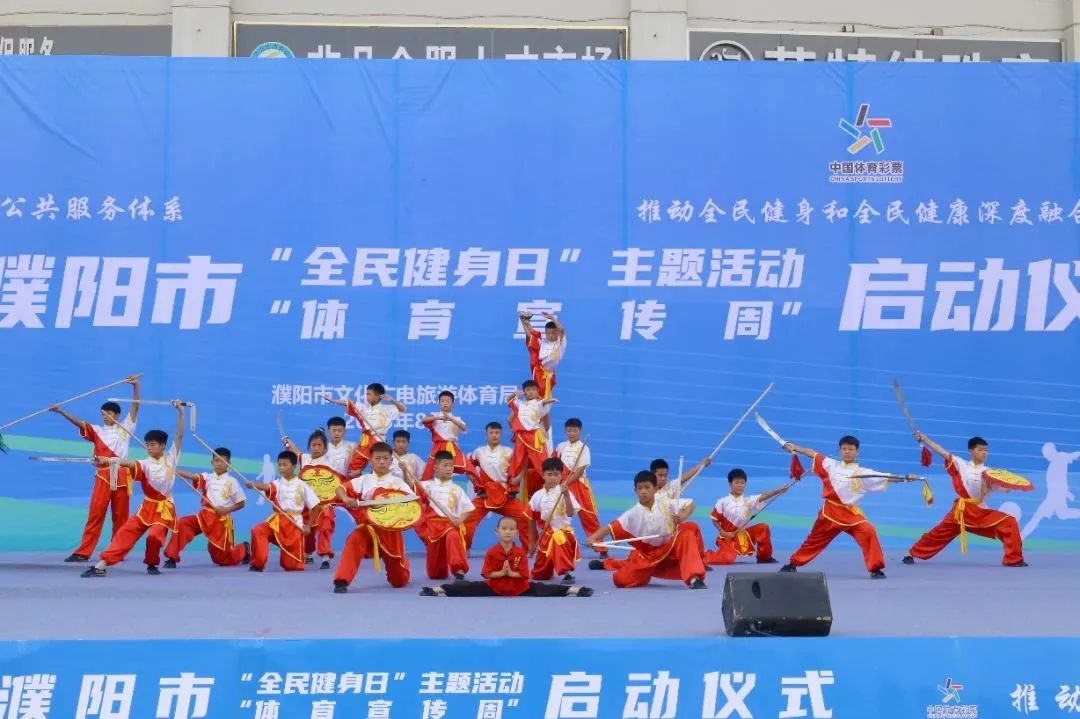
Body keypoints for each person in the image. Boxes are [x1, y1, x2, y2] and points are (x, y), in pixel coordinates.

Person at [780, 436, 918, 579]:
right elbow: (812, 453)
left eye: (851, 449)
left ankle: (875, 569)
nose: (847, 452)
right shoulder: (830, 464)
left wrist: (906, 478)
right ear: (840, 450)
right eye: (844, 449)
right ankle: (793, 564)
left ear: (857, 452)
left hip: (851, 515)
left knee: (868, 531)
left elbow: (885, 477)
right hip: (829, 513)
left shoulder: (862, 473)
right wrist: (794, 447)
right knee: (814, 541)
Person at [80, 401, 183, 577]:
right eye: (147, 444)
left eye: (153, 444)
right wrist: (108, 460)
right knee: (125, 533)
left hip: (164, 510)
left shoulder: (172, 458)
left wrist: (181, 412)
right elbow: (127, 463)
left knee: (154, 537)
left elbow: (179, 435)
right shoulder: (144, 463)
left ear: (162, 446)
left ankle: (152, 564)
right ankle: (101, 565)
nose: (149, 447)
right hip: (147, 508)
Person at [49, 375, 141, 562]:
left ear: (117, 415)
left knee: (120, 517)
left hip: (122, 476)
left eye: (108, 413)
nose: (105, 416)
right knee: (96, 514)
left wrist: (135, 386)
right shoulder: (98, 430)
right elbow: (80, 423)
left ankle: (117, 551)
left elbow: (135, 407)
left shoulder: (126, 428)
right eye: (103, 414)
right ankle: (83, 552)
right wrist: (62, 412)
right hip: (104, 476)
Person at [904, 433, 1026, 567]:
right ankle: (911, 553)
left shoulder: (990, 473)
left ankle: (1014, 559)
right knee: (938, 534)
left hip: (979, 513)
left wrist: (1009, 481)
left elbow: (1005, 489)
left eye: (986, 450)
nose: (984, 453)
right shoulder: (961, 465)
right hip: (960, 512)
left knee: (1009, 523)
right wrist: (924, 439)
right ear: (971, 451)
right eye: (980, 449)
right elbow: (940, 451)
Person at [586, 470, 707, 589]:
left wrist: (682, 516)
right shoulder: (631, 514)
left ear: (655, 488)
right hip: (648, 556)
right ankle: (608, 563)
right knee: (620, 580)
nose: (643, 491)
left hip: (671, 545)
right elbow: (609, 527)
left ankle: (694, 578)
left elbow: (690, 504)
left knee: (690, 528)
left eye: (647, 487)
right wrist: (593, 538)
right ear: (635, 491)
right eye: (639, 488)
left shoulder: (666, 503)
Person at [420, 516, 593, 597]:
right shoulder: (491, 552)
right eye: (504, 529)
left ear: (517, 533)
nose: (508, 532)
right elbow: (487, 574)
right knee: (467, 587)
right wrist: (501, 574)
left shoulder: (520, 553)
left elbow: (524, 575)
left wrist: (511, 574)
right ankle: (436, 590)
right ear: (497, 532)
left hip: (520, 589)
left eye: (511, 529)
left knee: (544, 589)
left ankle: (577, 591)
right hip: (494, 587)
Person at [332, 442, 416, 593]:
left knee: (399, 581)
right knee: (354, 539)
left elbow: (411, 503)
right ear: (371, 460)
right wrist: (345, 497)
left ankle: (403, 566)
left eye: (385, 458)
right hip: (368, 528)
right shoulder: (364, 480)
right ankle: (341, 580)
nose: (382, 461)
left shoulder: (398, 483)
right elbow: (340, 488)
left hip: (390, 530)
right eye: (377, 458)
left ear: (391, 460)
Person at [164, 447, 249, 568]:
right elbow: (192, 476)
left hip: (220, 521)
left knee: (223, 560)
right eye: (217, 461)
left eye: (223, 461)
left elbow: (241, 503)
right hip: (204, 516)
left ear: (229, 464)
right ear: (212, 462)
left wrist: (226, 510)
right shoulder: (208, 477)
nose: (220, 464)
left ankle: (244, 549)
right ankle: (172, 557)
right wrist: (173, 469)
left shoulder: (232, 481)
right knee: (182, 523)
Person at [245, 451, 321, 572]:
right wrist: (254, 484)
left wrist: (309, 526)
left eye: (285, 465)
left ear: (294, 466)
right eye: (279, 465)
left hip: (294, 525)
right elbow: (266, 486)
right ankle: (257, 564)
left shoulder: (303, 485)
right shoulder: (278, 483)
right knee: (258, 531)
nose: (281, 468)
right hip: (277, 522)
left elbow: (316, 506)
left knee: (292, 567)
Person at [283, 429, 347, 569]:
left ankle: (325, 557)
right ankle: (308, 553)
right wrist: (287, 439)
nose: (316, 448)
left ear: (324, 448)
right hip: (308, 504)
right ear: (309, 446)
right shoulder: (305, 459)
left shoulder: (330, 464)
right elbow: (295, 450)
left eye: (319, 445)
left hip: (325, 504)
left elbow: (339, 482)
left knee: (326, 527)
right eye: (313, 445)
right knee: (308, 529)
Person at [463, 422, 533, 548]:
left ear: (501, 434)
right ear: (486, 434)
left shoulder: (509, 451)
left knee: (525, 517)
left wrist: (518, 478)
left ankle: (528, 549)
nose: (494, 435)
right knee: (467, 519)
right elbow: (468, 468)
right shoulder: (479, 452)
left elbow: (523, 464)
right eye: (491, 433)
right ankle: (464, 549)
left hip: (505, 495)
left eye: (497, 433)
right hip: (485, 495)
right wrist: (475, 482)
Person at [704, 468, 788, 565]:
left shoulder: (748, 500)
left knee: (763, 528)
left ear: (745, 485)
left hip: (742, 535)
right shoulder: (722, 501)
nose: (740, 485)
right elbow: (714, 519)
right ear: (730, 484)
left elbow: (763, 496)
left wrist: (778, 491)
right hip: (727, 537)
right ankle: (705, 556)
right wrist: (723, 532)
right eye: (737, 482)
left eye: (742, 483)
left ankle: (764, 557)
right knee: (727, 559)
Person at [417, 450, 474, 580]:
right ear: (435, 467)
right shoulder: (425, 486)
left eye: (451, 465)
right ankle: (439, 570)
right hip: (432, 528)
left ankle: (459, 570)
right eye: (445, 465)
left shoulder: (457, 489)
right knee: (436, 575)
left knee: (453, 535)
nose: (449, 468)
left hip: (449, 525)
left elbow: (468, 509)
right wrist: (405, 470)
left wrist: (460, 520)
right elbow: (411, 495)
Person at [323, 386, 405, 475]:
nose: (367, 397)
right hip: (365, 440)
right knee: (355, 465)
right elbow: (347, 403)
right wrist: (333, 400)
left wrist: (392, 400)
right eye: (367, 394)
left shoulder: (387, 409)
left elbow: (403, 409)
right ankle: (353, 480)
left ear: (377, 396)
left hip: (379, 440)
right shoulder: (363, 408)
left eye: (369, 394)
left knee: (378, 464)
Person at [529, 457, 581, 584]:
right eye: (549, 474)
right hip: (545, 536)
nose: (553, 477)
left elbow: (570, 513)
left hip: (562, 535)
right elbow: (532, 519)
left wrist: (566, 496)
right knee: (539, 576)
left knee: (558, 536)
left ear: (561, 475)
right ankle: (547, 568)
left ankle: (567, 574)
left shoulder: (564, 492)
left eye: (556, 474)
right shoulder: (537, 496)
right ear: (543, 475)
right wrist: (532, 543)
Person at [554, 418, 602, 550]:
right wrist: (559, 482)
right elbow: (555, 465)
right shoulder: (560, 446)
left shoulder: (584, 448)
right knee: (558, 513)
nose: (571, 433)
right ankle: (558, 545)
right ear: (565, 431)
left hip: (578, 483)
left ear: (580, 431)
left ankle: (599, 546)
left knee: (589, 515)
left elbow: (580, 471)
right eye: (569, 430)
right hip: (562, 483)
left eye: (574, 431)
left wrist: (567, 482)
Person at [507, 381, 557, 497]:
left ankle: (553, 484)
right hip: (520, 436)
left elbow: (544, 404)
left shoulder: (538, 403)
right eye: (528, 390)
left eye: (533, 390)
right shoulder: (520, 405)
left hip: (534, 437)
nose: (531, 392)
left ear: (537, 391)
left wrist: (549, 400)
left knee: (541, 461)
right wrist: (514, 394)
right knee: (517, 461)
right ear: (524, 392)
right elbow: (509, 401)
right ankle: (512, 488)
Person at [518, 310, 566, 402]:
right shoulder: (544, 342)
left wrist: (552, 318)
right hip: (539, 369)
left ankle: (524, 320)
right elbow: (531, 335)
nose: (550, 336)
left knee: (543, 399)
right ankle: (523, 320)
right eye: (548, 333)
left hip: (548, 374)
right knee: (533, 339)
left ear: (557, 333)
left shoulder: (560, 342)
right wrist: (526, 324)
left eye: (553, 333)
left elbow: (562, 330)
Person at [420, 391, 469, 479]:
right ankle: (424, 486)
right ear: (439, 403)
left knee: (469, 468)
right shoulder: (434, 415)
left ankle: (479, 487)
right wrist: (439, 417)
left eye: (448, 401)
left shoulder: (457, 419)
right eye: (442, 401)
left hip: (452, 447)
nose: (445, 403)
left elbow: (464, 427)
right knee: (429, 470)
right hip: (438, 447)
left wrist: (450, 418)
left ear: (452, 403)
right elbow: (424, 420)